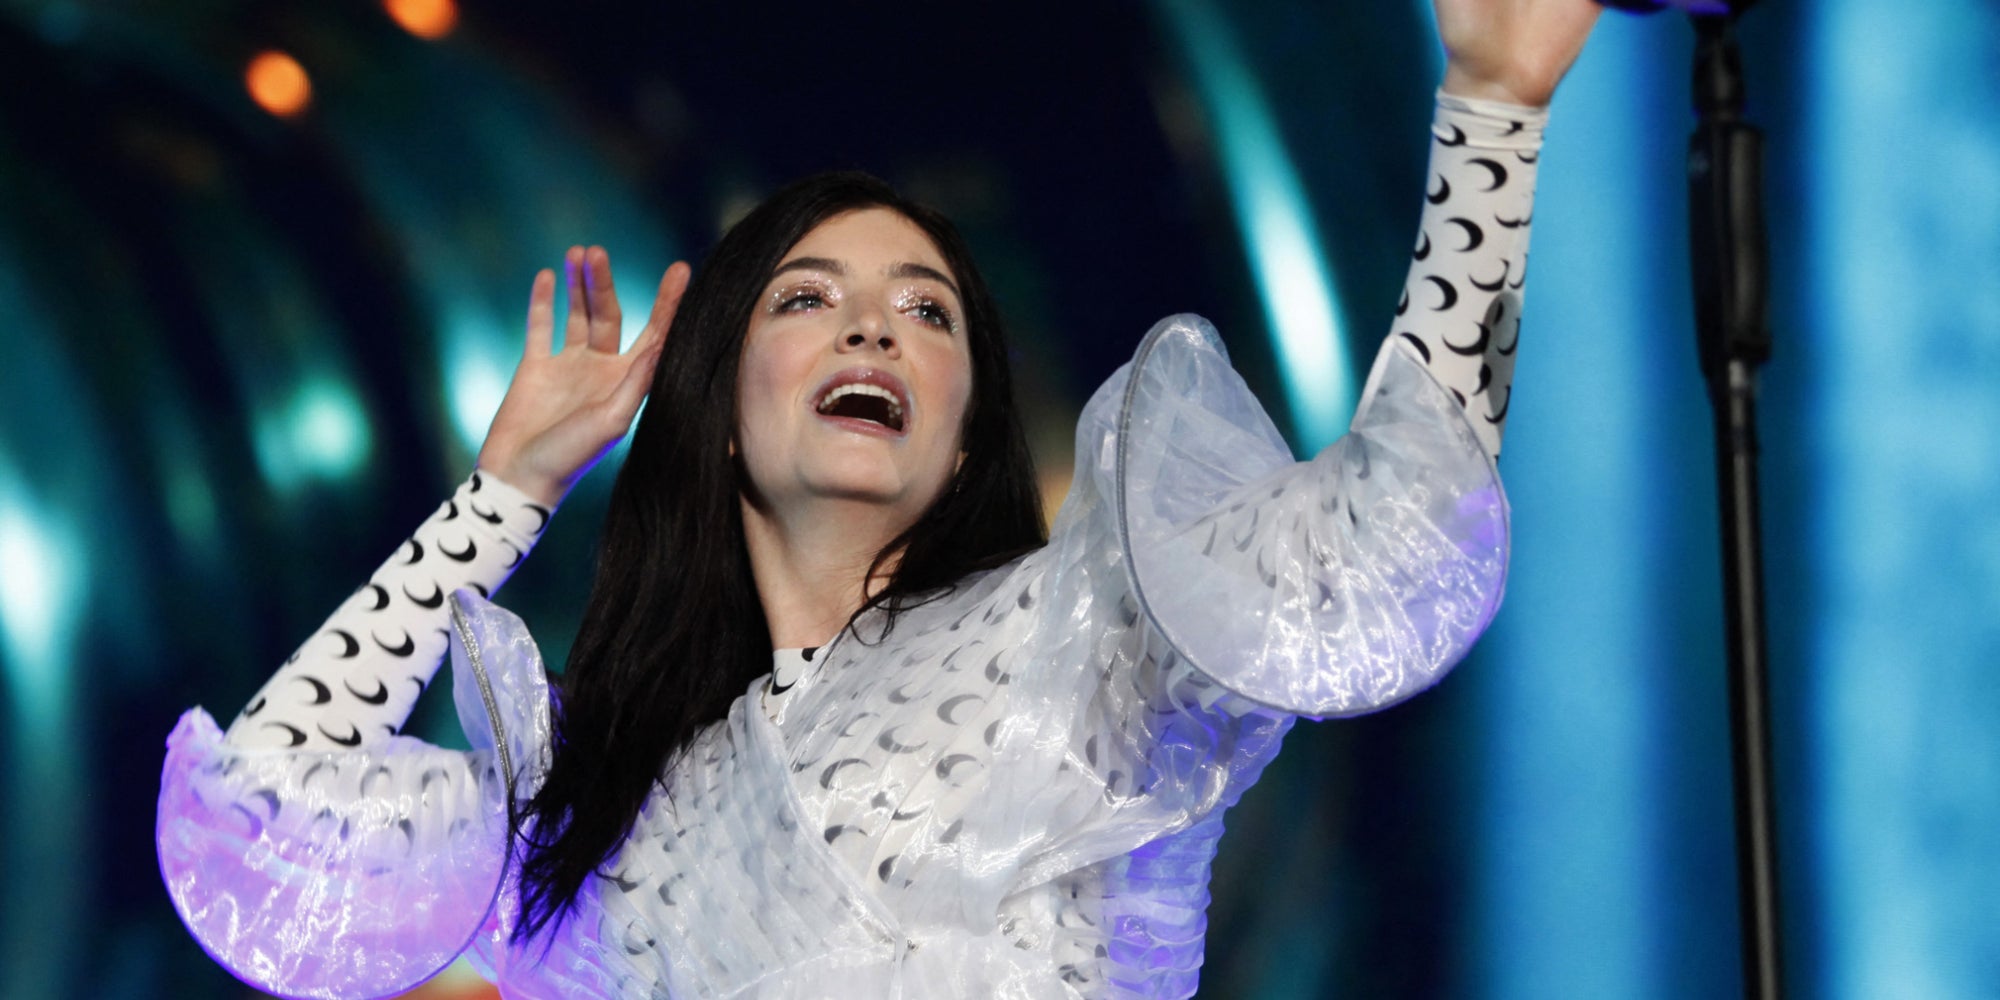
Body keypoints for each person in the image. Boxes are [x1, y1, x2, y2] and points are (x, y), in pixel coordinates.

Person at [157, 2, 1602, 996]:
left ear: (965, 425)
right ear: (721, 406)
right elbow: (262, 840)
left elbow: (1390, 542)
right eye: (810, 298)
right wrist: (507, 489)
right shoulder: (602, 798)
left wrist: (1495, 111)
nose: (874, 330)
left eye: (927, 311)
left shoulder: (1088, 643)